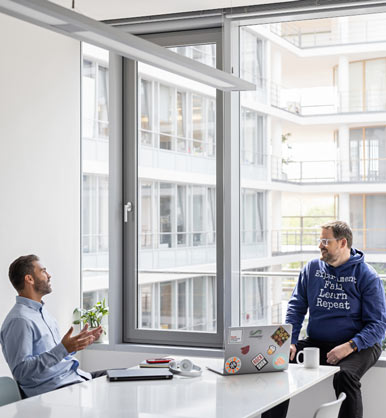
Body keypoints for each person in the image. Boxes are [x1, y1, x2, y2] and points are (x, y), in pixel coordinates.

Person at [263, 220, 386, 418]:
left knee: (345, 376)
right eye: (320, 240)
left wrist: (349, 346)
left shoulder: (367, 276)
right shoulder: (311, 269)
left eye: (325, 241)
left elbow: (379, 325)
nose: (320, 245)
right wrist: (289, 342)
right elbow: (295, 309)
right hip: (317, 343)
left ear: (343, 243)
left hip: (360, 345)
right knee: (276, 362)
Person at [0, 254, 106, 397]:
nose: (49, 275)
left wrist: (75, 344)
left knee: (126, 378)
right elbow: (21, 371)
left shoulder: (42, 312)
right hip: (55, 390)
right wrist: (63, 349)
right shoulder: (19, 320)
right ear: (29, 279)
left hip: (73, 378)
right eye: (43, 271)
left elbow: (54, 353)